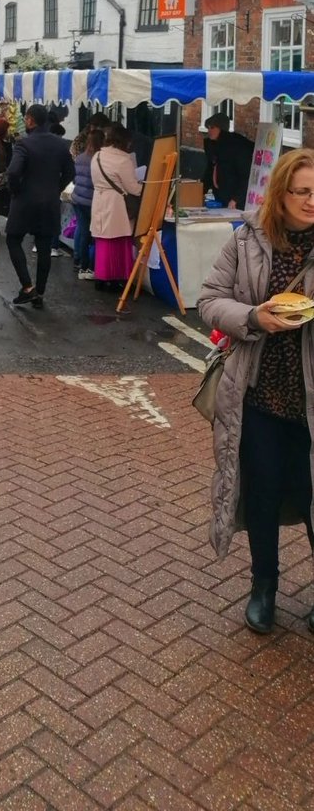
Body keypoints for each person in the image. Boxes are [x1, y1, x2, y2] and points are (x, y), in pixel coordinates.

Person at [198, 148, 314, 635]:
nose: (312, 200)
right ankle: (263, 586)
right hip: (260, 398)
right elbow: (208, 300)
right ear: (281, 193)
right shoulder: (247, 240)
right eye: (303, 191)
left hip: (311, 405)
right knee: (261, 496)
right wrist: (252, 317)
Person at [5, 104, 75, 310]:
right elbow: (70, 173)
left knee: (13, 239)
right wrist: (56, 188)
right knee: (44, 246)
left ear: (29, 120)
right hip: (50, 201)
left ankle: (27, 286)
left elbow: (13, 172)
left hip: (25, 200)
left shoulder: (24, 144)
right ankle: (40, 292)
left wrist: (16, 190)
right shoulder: (62, 144)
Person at [90, 123, 142, 293]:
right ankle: (117, 277)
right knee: (119, 240)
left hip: (99, 199)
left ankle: (101, 276)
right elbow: (133, 188)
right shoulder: (123, 160)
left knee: (102, 240)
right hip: (116, 204)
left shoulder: (97, 156)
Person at [203, 112, 255, 209]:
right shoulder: (212, 145)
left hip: (235, 195)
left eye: (213, 128)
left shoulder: (236, 145)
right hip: (220, 192)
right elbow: (210, 169)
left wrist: (236, 199)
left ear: (221, 128)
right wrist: (201, 190)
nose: (209, 131)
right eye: (208, 128)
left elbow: (245, 175)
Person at [72, 128, 104, 280]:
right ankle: (89, 265)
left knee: (82, 230)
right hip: (92, 200)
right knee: (93, 234)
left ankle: (79, 260)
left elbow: (74, 179)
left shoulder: (80, 158)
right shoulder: (98, 160)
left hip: (78, 199)